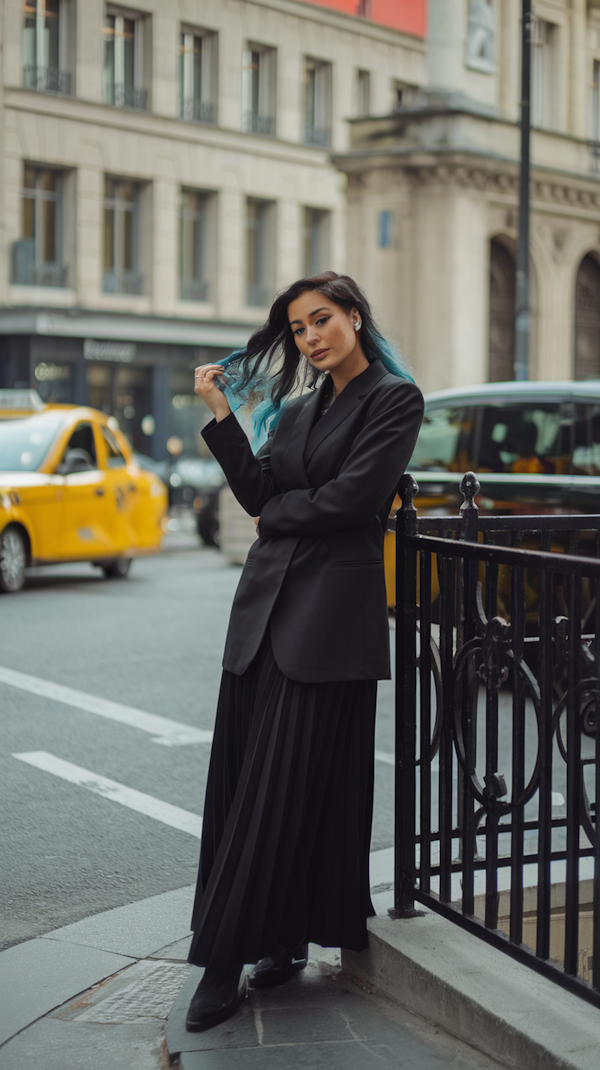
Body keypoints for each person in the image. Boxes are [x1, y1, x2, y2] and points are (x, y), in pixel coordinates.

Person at [185, 271, 424, 1032]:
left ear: (355, 316)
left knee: (284, 792)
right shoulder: (292, 408)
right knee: (244, 788)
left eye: (322, 319)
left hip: (328, 626)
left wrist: (282, 517)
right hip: (261, 616)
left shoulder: (394, 399)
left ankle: (223, 964)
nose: (311, 336)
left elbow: (355, 500)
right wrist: (223, 417)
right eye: (297, 328)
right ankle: (279, 940)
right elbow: (258, 495)